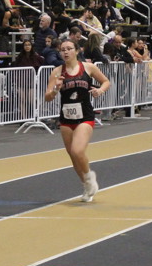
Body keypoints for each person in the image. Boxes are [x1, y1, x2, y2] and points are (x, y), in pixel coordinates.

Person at [44, 39, 110, 202]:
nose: (65, 52)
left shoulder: (88, 67)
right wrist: (56, 89)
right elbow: (47, 97)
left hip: (85, 116)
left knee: (77, 151)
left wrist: (100, 90)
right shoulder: (57, 72)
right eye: (63, 49)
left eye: (69, 49)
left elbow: (106, 81)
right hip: (66, 118)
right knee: (73, 157)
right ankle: (86, 186)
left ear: (77, 50)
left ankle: (89, 178)